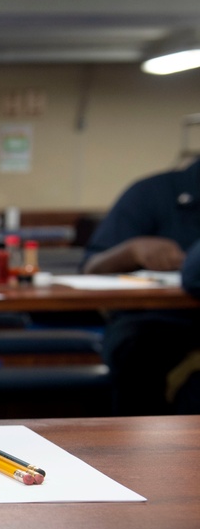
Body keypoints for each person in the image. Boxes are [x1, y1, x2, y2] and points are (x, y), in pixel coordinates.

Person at [81, 156, 200, 414]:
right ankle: (136, 447)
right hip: (156, 324)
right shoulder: (152, 193)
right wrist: (131, 252)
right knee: (142, 353)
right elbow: (90, 267)